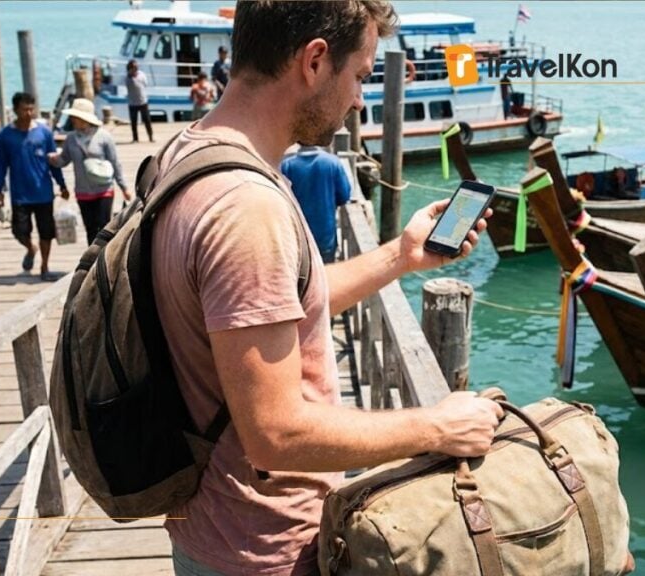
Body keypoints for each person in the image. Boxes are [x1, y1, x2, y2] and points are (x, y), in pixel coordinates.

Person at [148, 3, 502, 574]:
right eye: (359, 75)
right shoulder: (248, 210)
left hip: (210, 527)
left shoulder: (191, 152)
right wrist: (438, 426)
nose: (360, 99)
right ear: (314, 61)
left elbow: (272, 308)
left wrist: (399, 256)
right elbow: (276, 433)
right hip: (263, 549)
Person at [0, 92, 68, 281]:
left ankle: (45, 266)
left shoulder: (44, 133)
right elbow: (1, 165)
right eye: (24, 109)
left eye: (30, 109)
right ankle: (30, 248)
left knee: (46, 232)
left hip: (44, 192)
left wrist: (62, 184)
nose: (28, 113)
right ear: (15, 110)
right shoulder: (6, 136)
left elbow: (53, 161)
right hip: (20, 194)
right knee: (19, 231)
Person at [48, 98, 130, 245]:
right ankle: (92, 258)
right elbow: (64, 160)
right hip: (83, 192)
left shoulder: (104, 136)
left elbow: (115, 162)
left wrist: (124, 187)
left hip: (104, 190)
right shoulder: (71, 138)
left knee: (104, 228)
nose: (72, 119)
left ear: (84, 118)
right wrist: (50, 158)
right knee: (90, 229)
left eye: (75, 116)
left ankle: (105, 256)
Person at [281, 145, 351, 263]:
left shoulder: (287, 166)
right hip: (325, 236)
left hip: (298, 237)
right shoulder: (333, 163)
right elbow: (344, 196)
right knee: (327, 271)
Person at [125, 59, 154, 143]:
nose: (136, 68)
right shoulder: (128, 78)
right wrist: (131, 74)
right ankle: (135, 138)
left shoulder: (141, 74)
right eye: (134, 67)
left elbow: (145, 84)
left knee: (147, 120)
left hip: (143, 101)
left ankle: (150, 137)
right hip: (132, 103)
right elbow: (130, 83)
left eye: (136, 66)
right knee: (133, 122)